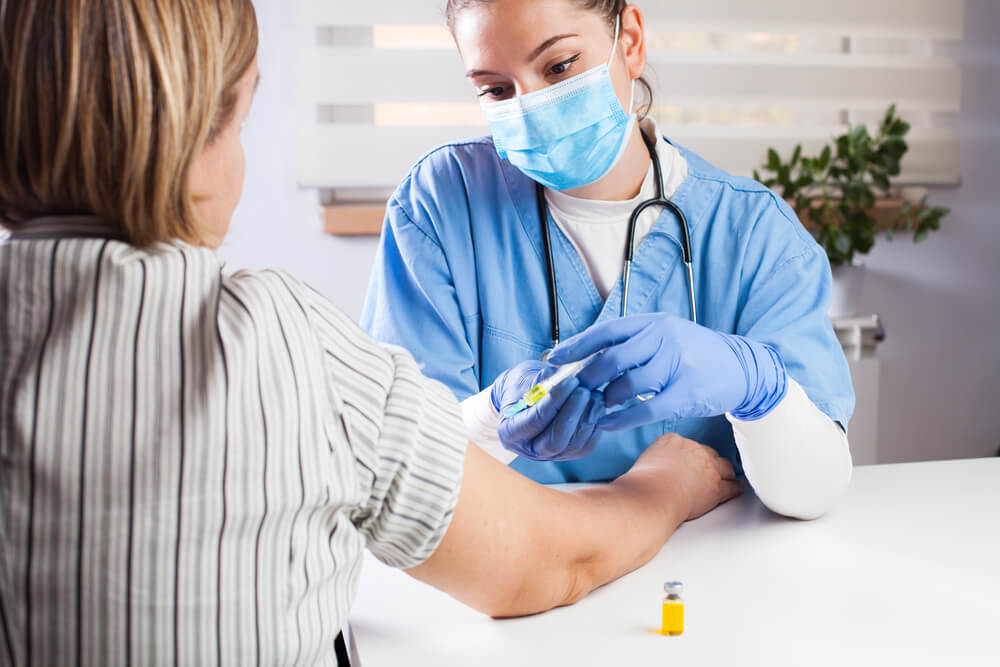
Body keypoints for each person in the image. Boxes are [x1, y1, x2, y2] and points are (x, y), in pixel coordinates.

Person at [0, 1, 741, 664]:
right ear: (202, 133)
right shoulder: (288, 346)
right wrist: (667, 483)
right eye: (244, 118)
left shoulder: (739, 218)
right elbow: (545, 564)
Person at [361, 0, 855, 520]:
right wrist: (489, 419)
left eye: (559, 66)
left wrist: (758, 387)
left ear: (630, 41)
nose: (529, 107)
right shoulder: (442, 205)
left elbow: (814, 493)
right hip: (509, 574)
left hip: (702, 584)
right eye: (496, 89)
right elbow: (396, 476)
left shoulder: (754, 234)